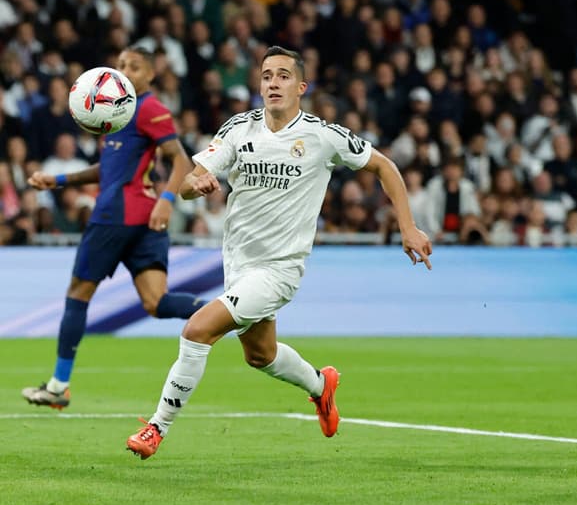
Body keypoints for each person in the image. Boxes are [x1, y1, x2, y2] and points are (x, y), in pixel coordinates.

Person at [126, 47, 433, 460]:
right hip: (239, 264)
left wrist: (407, 226)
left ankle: (156, 428)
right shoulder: (239, 129)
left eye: (283, 76)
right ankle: (322, 387)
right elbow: (189, 180)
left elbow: (384, 167)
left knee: (198, 331)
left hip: (280, 269)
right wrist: (193, 186)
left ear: (301, 87)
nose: (273, 82)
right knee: (260, 355)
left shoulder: (323, 136)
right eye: (267, 75)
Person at [22, 46, 202, 409]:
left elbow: (181, 159)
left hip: (115, 217)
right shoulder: (117, 114)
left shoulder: (148, 107)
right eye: (120, 65)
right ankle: (231, 313)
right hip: (143, 219)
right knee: (157, 302)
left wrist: (168, 199)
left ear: (151, 75)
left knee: (77, 294)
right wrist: (57, 180)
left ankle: (58, 387)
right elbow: (108, 170)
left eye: (134, 67)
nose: (124, 71)